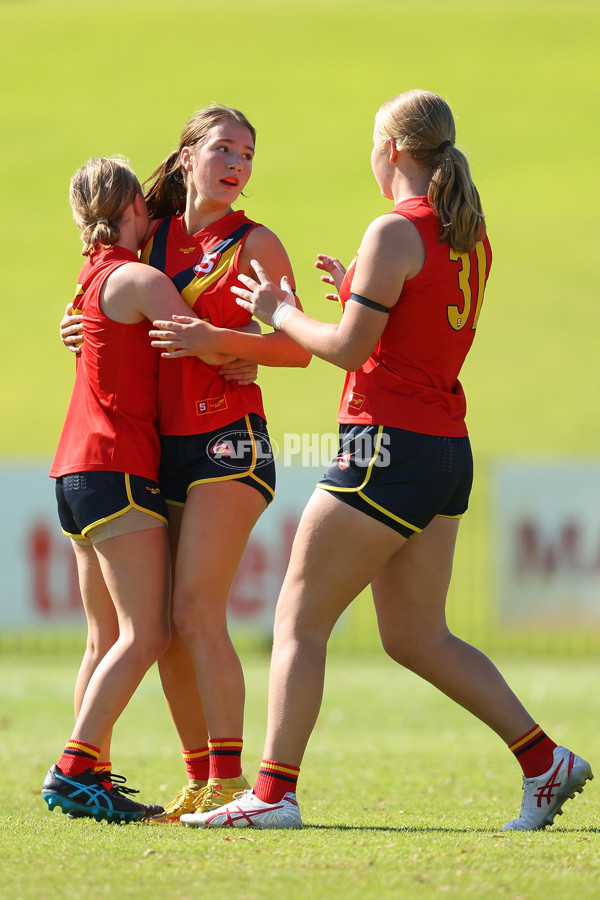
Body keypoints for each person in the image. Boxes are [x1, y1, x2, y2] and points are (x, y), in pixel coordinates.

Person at [174, 90, 593, 831]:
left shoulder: (395, 229)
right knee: (415, 635)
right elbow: (412, 327)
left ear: (392, 150)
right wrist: (352, 300)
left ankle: (272, 795)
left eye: (373, 143)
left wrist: (279, 311)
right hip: (445, 450)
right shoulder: (468, 228)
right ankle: (544, 760)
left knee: (298, 618)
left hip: (385, 448)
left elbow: (344, 350)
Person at [59, 106, 310, 823]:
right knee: (164, 624)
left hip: (231, 443)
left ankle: (232, 782)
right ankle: (201, 776)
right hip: (160, 451)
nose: (237, 163)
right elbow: (104, 298)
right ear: (189, 155)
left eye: (248, 154)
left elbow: (295, 347)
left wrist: (228, 347)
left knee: (196, 610)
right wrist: (69, 322)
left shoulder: (256, 243)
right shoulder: (154, 234)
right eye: (224, 148)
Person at [42, 156, 232, 823]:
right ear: (127, 210)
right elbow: (200, 340)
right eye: (144, 208)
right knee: (147, 634)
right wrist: (250, 342)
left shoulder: (89, 277)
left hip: (74, 472)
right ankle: (72, 770)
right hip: (117, 466)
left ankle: (92, 775)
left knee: (102, 640)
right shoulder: (141, 277)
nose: (154, 217)